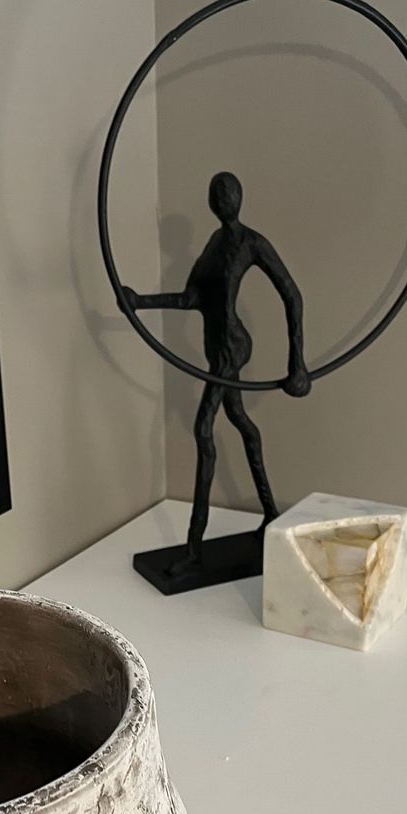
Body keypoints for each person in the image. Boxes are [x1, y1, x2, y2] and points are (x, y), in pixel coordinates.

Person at [125, 170, 310, 576]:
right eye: (217, 192)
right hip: (216, 352)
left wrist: (297, 363)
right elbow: (191, 297)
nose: (222, 197)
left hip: (231, 351)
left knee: (204, 431)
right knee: (242, 424)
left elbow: (292, 294)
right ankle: (271, 514)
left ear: (239, 198)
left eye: (227, 192)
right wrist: (140, 301)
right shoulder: (214, 245)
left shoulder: (250, 243)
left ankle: (194, 549)